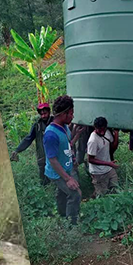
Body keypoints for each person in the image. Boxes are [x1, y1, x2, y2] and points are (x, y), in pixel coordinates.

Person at [43, 95, 81, 225]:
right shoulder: (51, 135)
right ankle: (72, 225)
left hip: (65, 168)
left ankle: (61, 216)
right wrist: (68, 178)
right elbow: (52, 160)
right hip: (57, 172)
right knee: (75, 194)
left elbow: (67, 143)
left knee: (62, 193)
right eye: (71, 113)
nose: (73, 116)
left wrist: (73, 157)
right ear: (64, 114)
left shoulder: (64, 127)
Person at [10, 103, 53, 185]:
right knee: (44, 179)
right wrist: (17, 150)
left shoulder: (55, 122)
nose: (43, 116)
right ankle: (46, 193)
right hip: (42, 156)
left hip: (55, 155)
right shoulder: (37, 125)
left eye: (45, 113)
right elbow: (28, 139)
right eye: (41, 114)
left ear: (49, 112)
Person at [87, 116, 119, 198]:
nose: (101, 132)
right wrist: (108, 163)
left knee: (115, 189)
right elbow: (90, 159)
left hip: (109, 170)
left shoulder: (107, 133)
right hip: (98, 173)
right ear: (95, 127)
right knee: (101, 196)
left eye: (103, 129)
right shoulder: (93, 140)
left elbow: (112, 147)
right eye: (99, 130)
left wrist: (116, 135)